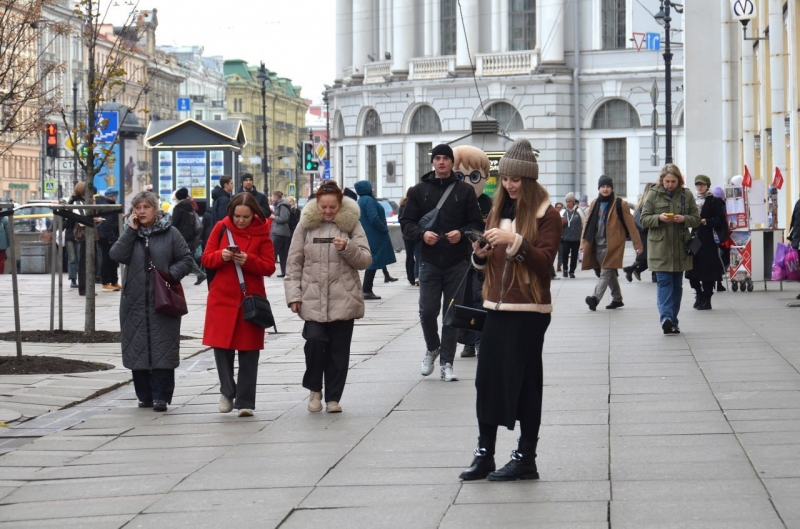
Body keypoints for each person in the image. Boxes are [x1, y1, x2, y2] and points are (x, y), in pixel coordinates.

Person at [458, 137, 561, 482]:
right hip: (496, 306)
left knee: (526, 383)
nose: (509, 185)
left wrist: (514, 242)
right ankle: (484, 453)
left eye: (516, 179)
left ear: (528, 180)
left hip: (530, 309)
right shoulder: (497, 210)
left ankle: (525, 457)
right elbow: (486, 263)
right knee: (486, 381)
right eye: (505, 178)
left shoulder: (548, 214)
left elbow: (545, 262)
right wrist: (480, 255)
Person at [284, 181, 372, 413]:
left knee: (338, 352)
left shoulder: (351, 225)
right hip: (312, 298)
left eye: (333, 207)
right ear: (317, 205)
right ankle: (315, 389)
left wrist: (348, 248)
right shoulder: (305, 226)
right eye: (324, 207)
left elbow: (365, 260)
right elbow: (293, 263)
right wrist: (294, 295)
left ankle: (333, 398)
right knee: (314, 342)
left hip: (344, 298)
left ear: (340, 205)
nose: (328, 211)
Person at [400, 144, 483, 382]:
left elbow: (477, 226)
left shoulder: (464, 191)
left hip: (457, 262)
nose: (441, 162)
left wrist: (463, 232)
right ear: (432, 163)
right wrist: (422, 235)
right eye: (437, 158)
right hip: (429, 260)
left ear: (452, 163)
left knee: (451, 313)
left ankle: (447, 362)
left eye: (445, 158)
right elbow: (406, 223)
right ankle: (432, 348)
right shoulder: (419, 191)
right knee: (427, 311)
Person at [109, 191, 194, 412]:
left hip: (163, 300)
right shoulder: (131, 234)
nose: (141, 211)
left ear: (156, 209)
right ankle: (144, 395)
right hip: (134, 302)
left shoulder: (171, 233)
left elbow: (186, 259)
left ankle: (161, 396)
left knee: (163, 347)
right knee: (137, 348)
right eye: (138, 207)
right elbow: (116, 255)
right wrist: (131, 231)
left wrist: (169, 274)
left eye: (146, 207)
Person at [201, 193, 276, 417]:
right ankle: (227, 391)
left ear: (254, 214)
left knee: (249, 351)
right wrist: (222, 256)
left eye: (245, 216)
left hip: (250, 299)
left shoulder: (263, 234)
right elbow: (206, 258)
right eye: (237, 216)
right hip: (221, 298)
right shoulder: (221, 228)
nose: (241, 220)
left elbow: (270, 267)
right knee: (221, 347)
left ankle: (245, 402)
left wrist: (249, 260)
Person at [640, 163, 701, 334]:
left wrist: (684, 219)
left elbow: (696, 219)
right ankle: (666, 317)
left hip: (681, 247)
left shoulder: (686, 195)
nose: (670, 185)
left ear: (679, 180)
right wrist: (659, 218)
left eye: (673, 181)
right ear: (662, 180)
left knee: (677, 285)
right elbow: (643, 219)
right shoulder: (653, 194)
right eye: (667, 181)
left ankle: (673, 320)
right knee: (664, 282)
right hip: (660, 247)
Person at [452, 144, 493, 358]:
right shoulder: (453, 202)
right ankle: (467, 341)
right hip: (458, 261)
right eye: (460, 176)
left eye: (474, 176)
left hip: (482, 259)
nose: (468, 182)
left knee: (480, 298)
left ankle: (479, 340)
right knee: (463, 300)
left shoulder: (489, 203)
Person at [581, 176, 642, 311]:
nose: (605, 189)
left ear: (611, 188)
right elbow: (587, 223)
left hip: (612, 246)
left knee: (605, 272)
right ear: (599, 188)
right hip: (596, 244)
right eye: (603, 186)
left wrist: (638, 245)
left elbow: (631, 225)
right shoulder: (594, 203)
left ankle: (595, 299)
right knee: (609, 273)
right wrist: (583, 242)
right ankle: (617, 299)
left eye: (608, 186)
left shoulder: (620, 204)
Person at [686, 175, 728, 310]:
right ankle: (698, 294)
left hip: (708, 240)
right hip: (694, 239)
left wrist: (707, 221)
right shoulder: (691, 200)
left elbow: (720, 220)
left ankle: (707, 298)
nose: (700, 187)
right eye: (697, 185)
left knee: (707, 272)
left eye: (702, 185)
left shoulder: (714, 201)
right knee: (692, 271)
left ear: (707, 186)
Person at [355, 180, 397, 299]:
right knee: (374, 261)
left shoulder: (361, 200)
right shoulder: (368, 200)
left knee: (373, 260)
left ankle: (368, 288)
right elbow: (374, 218)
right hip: (374, 235)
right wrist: (384, 229)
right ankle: (367, 289)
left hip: (368, 234)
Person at [171, 187, 207, 285]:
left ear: (178, 197)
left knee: (183, 257)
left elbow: (174, 223)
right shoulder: (190, 207)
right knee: (186, 256)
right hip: (191, 236)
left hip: (181, 236)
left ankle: (198, 274)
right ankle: (199, 274)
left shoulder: (178, 208)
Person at [623, 183, 656, 282]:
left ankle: (632, 269)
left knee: (648, 257)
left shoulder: (643, 203)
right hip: (645, 233)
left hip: (643, 233)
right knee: (649, 256)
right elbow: (641, 221)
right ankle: (634, 269)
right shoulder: (646, 203)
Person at [97, 187, 122, 292]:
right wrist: (111, 238)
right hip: (107, 237)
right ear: (114, 196)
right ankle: (106, 282)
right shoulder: (108, 206)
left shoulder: (108, 205)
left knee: (113, 259)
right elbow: (107, 223)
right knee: (107, 260)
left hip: (107, 236)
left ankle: (114, 281)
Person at [63, 183, 86, 287]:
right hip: (76, 234)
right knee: (76, 258)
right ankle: (74, 280)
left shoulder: (71, 203)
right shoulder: (78, 203)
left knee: (73, 258)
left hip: (71, 234)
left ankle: (74, 280)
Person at [399, 188, 420, 286]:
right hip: (417, 234)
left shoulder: (402, 206)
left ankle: (410, 277)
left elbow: (401, 220)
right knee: (418, 255)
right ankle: (417, 276)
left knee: (409, 256)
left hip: (407, 236)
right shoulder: (417, 204)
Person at [560, 192, 583, 278]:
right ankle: (565, 269)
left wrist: (583, 237)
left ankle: (572, 271)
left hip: (576, 238)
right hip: (565, 238)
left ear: (573, 202)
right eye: (566, 201)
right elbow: (558, 224)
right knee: (565, 254)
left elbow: (584, 224)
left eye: (569, 201)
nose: (568, 203)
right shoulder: (563, 212)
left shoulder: (578, 211)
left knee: (574, 255)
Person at [271, 190, 292, 278]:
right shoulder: (279, 205)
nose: (271, 198)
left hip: (280, 232)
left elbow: (284, 218)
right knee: (283, 253)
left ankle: (269, 268)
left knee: (273, 251)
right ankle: (285, 271)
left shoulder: (282, 206)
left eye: (272, 196)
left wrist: (274, 217)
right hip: (280, 231)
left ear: (276, 197)